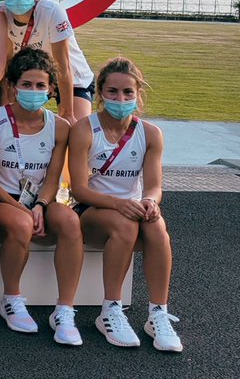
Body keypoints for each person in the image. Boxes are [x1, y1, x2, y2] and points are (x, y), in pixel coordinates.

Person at [69, 57, 182, 353]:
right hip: (93, 210)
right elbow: (79, 189)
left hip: (131, 209)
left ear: (138, 94)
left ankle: (158, 313)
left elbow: (155, 185)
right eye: (113, 92)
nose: (120, 99)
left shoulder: (151, 133)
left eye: (128, 92)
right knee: (125, 224)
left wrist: (150, 201)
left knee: (157, 226)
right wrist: (119, 204)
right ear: (100, 94)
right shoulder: (84, 130)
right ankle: (110, 310)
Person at [0, 47, 84, 345]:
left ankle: (65, 310)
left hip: (41, 199)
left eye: (41, 85)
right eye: (26, 84)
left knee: (69, 221)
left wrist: (41, 205)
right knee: (20, 224)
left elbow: (53, 178)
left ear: (51, 89)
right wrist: (20, 207)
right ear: (13, 87)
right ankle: (12, 298)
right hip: (3, 198)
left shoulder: (60, 127)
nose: (33, 90)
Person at [0, 0, 95, 121]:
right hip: (32, 77)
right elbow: (6, 64)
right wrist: (4, 103)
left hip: (72, 78)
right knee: (9, 123)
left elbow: (63, 68)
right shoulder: (0, 12)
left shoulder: (52, 11)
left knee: (76, 129)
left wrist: (68, 114)